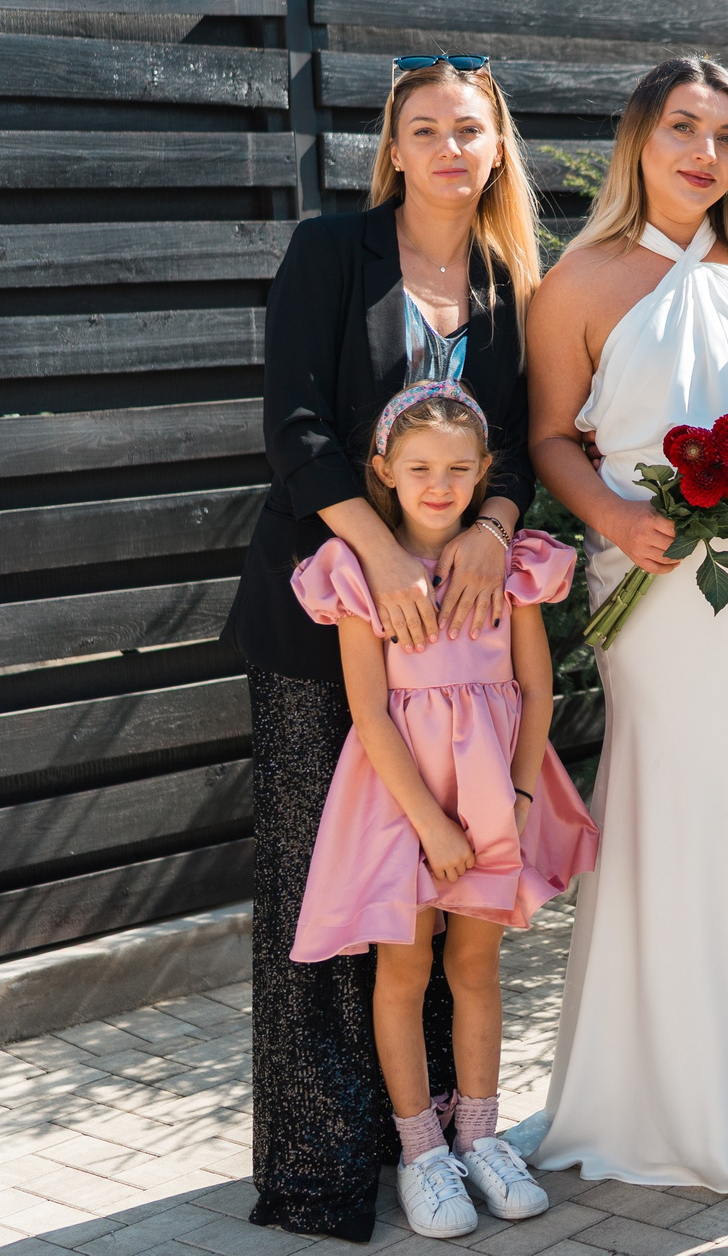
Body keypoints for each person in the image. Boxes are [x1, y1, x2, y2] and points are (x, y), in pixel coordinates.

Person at [228, 55, 545, 1242]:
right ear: (395, 149)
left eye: (470, 129)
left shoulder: (515, 280)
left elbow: (514, 444)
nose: (450, 148)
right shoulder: (329, 253)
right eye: (426, 130)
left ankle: (451, 1138)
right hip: (331, 618)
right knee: (330, 890)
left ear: (497, 146)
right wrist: (386, 557)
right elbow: (295, 429)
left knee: (440, 902)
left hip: (458, 638)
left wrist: (494, 531)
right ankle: (326, 1160)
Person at [524, 57, 728, 1201]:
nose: (705, 153)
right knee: (665, 811)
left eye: (727, 135)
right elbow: (552, 432)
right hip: (650, 585)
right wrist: (613, 514)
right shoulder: (585, 275)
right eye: (682, 129)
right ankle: (642, 1098)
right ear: (637, 142)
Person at [287, 381, 598, 1238]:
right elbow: (370, 711)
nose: (439, 483)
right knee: (402, 972)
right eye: (420, 466)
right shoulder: (356, 573)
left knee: (475, 967)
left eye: (460, 468)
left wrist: (524, 796)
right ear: (383, 469)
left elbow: (535, 690)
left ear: (484, 471)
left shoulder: (513, 564)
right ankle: (423, 1152)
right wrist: (430, 822)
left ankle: (482, 1139)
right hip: (401, 806)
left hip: (495, 794)